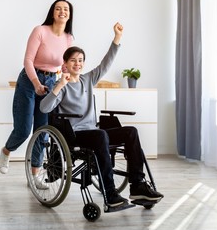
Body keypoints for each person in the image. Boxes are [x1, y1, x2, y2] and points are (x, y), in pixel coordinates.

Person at [40, 22, 164, 207]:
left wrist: (117, 38)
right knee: (101, 135)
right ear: (65, 64)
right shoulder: (62, 86)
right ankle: (110, 193)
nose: (77, 63)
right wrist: (59, 85)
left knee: (131, 132)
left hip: (95, 132)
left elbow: (106, 63)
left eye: (80, 60)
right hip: (74, 135)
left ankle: (137, 186)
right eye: (73, 60)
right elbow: (44, 108)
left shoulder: (88, 79)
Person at [0, 0, 74, 190]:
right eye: (58, 8)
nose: (62, 12)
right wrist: (36, 83)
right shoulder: (40, 31)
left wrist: (67, 76)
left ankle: (34, 177)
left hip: (51, 82)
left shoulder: (68, 38)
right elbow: (28, 60)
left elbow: (64, 64)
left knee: (43, 131)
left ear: (69, 14)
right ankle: (7, 150)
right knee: (24, 129)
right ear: (52, 12)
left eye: (65, 9)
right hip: (29, 80)